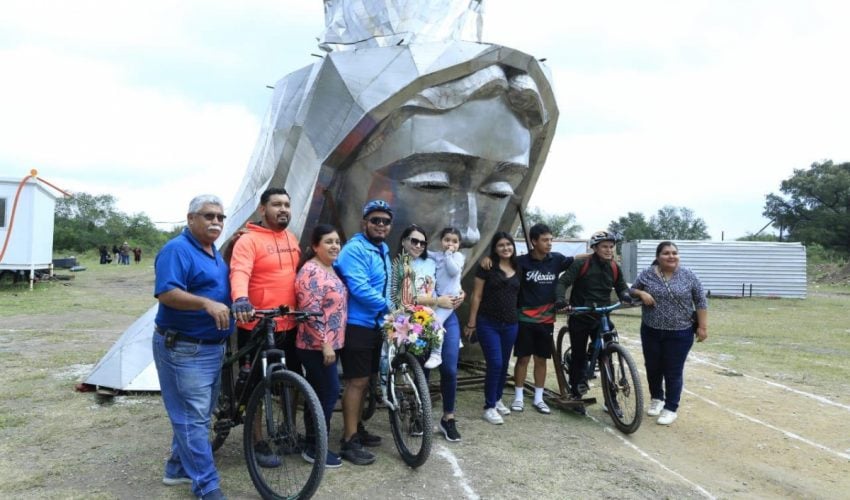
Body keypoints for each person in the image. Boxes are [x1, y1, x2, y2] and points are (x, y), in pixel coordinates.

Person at [151, 194, 232, 500]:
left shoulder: (212, 251)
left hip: (211, 346)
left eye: (220, 217)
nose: (216, 222)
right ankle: (207, 486)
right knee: (193, 419)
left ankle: (176, 468)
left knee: (195, 414)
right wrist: (205, 303)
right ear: (191, 219)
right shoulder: (177, 250)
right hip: (183, 347)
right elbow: (167, 292)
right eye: (209, 216)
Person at [228, 187, 301, 468]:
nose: (283, 209)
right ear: (262, 209)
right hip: (256, 324)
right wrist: (241, 299)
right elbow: (240, 271)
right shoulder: (248, 240)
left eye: (286, 204)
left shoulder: (291, 238)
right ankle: (257, 439)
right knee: (257, 384)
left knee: (293, 379)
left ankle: (287, 430)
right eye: (276, 205)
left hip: (288, 323)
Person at [333, 199, 395, 465]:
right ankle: (349, 440)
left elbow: (386, 284)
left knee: (367, 379)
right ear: (364, 222)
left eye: (385, 221)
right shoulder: (354, 250)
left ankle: (357, 428)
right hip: (357, 324)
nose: (381, 225)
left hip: (375, 324)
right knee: (356, 382)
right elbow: (358, 288)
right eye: (375, 220)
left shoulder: (382, 248)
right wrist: (390, 306)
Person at [629, 241, 708, 425]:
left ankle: (671, 408)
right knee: (653, 366)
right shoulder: (648, 274)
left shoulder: (688, 275)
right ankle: (657, 398)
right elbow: (631, 290)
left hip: (680, 333)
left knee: (673, 370)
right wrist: (641, 293)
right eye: (666, 253)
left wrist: (702, 327)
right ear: (658, 257)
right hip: (651, 330)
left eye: (674, 253)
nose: (671, 256)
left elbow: (701, 301)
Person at [555, 230, 632, 415]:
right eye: (604, 247)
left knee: (608, 355)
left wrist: (625, 295)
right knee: (579, 356)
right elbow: (563, 282)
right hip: (581, 314)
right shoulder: (582, 263)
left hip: (602, 315)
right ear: (595, 247)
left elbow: (621, 285)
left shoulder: (614, 266)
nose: (609, 250)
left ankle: (611, 400)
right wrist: (560, 300)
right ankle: (576, 394)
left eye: (611, 247)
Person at [510, 223, 577, 415]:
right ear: (533, 241)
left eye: (551, 240)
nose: (549, 244)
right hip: (524, 319)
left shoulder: (556, 259)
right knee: (523, 359)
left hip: (547, 320)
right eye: (545, 240)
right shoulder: (520, 262)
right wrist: (487, 260)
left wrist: (597, 252)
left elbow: (577, 260)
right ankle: (519, 397)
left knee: (541, 359)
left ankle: (539, 399)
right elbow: (501, 263)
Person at [295, 224, 347, 468]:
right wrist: (325, 343)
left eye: (337, 241)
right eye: (328, 241)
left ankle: (312, 445)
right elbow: (310, 312)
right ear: (315, 245)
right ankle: (316, 448)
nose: (335, 245)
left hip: (329, 344)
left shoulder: (330, 268)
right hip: (315, 345)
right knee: (328, 393)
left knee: (318, 394)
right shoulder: (311, 271)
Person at [464, 232, 520, 425]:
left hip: (511, 324)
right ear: (495, 249)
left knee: (504, 364)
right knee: (495, 363)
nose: (506, 248)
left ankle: (497, 399)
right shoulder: (486, 266)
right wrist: (472, 322)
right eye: (501, 245)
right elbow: (476, 296)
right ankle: (489, 407)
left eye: (509, 244)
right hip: (488, 322)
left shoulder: (518, 266)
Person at [430, 227, 466, 441]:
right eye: (446, 240)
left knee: (450, 368)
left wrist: (461, 292)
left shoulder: (457, 257)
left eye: (454, 241)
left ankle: (448, 417)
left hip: (447, 312)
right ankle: (420, 413)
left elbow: (454, 274)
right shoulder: (431, 257)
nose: (450, 244)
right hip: (428, 310)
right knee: (423, 366)